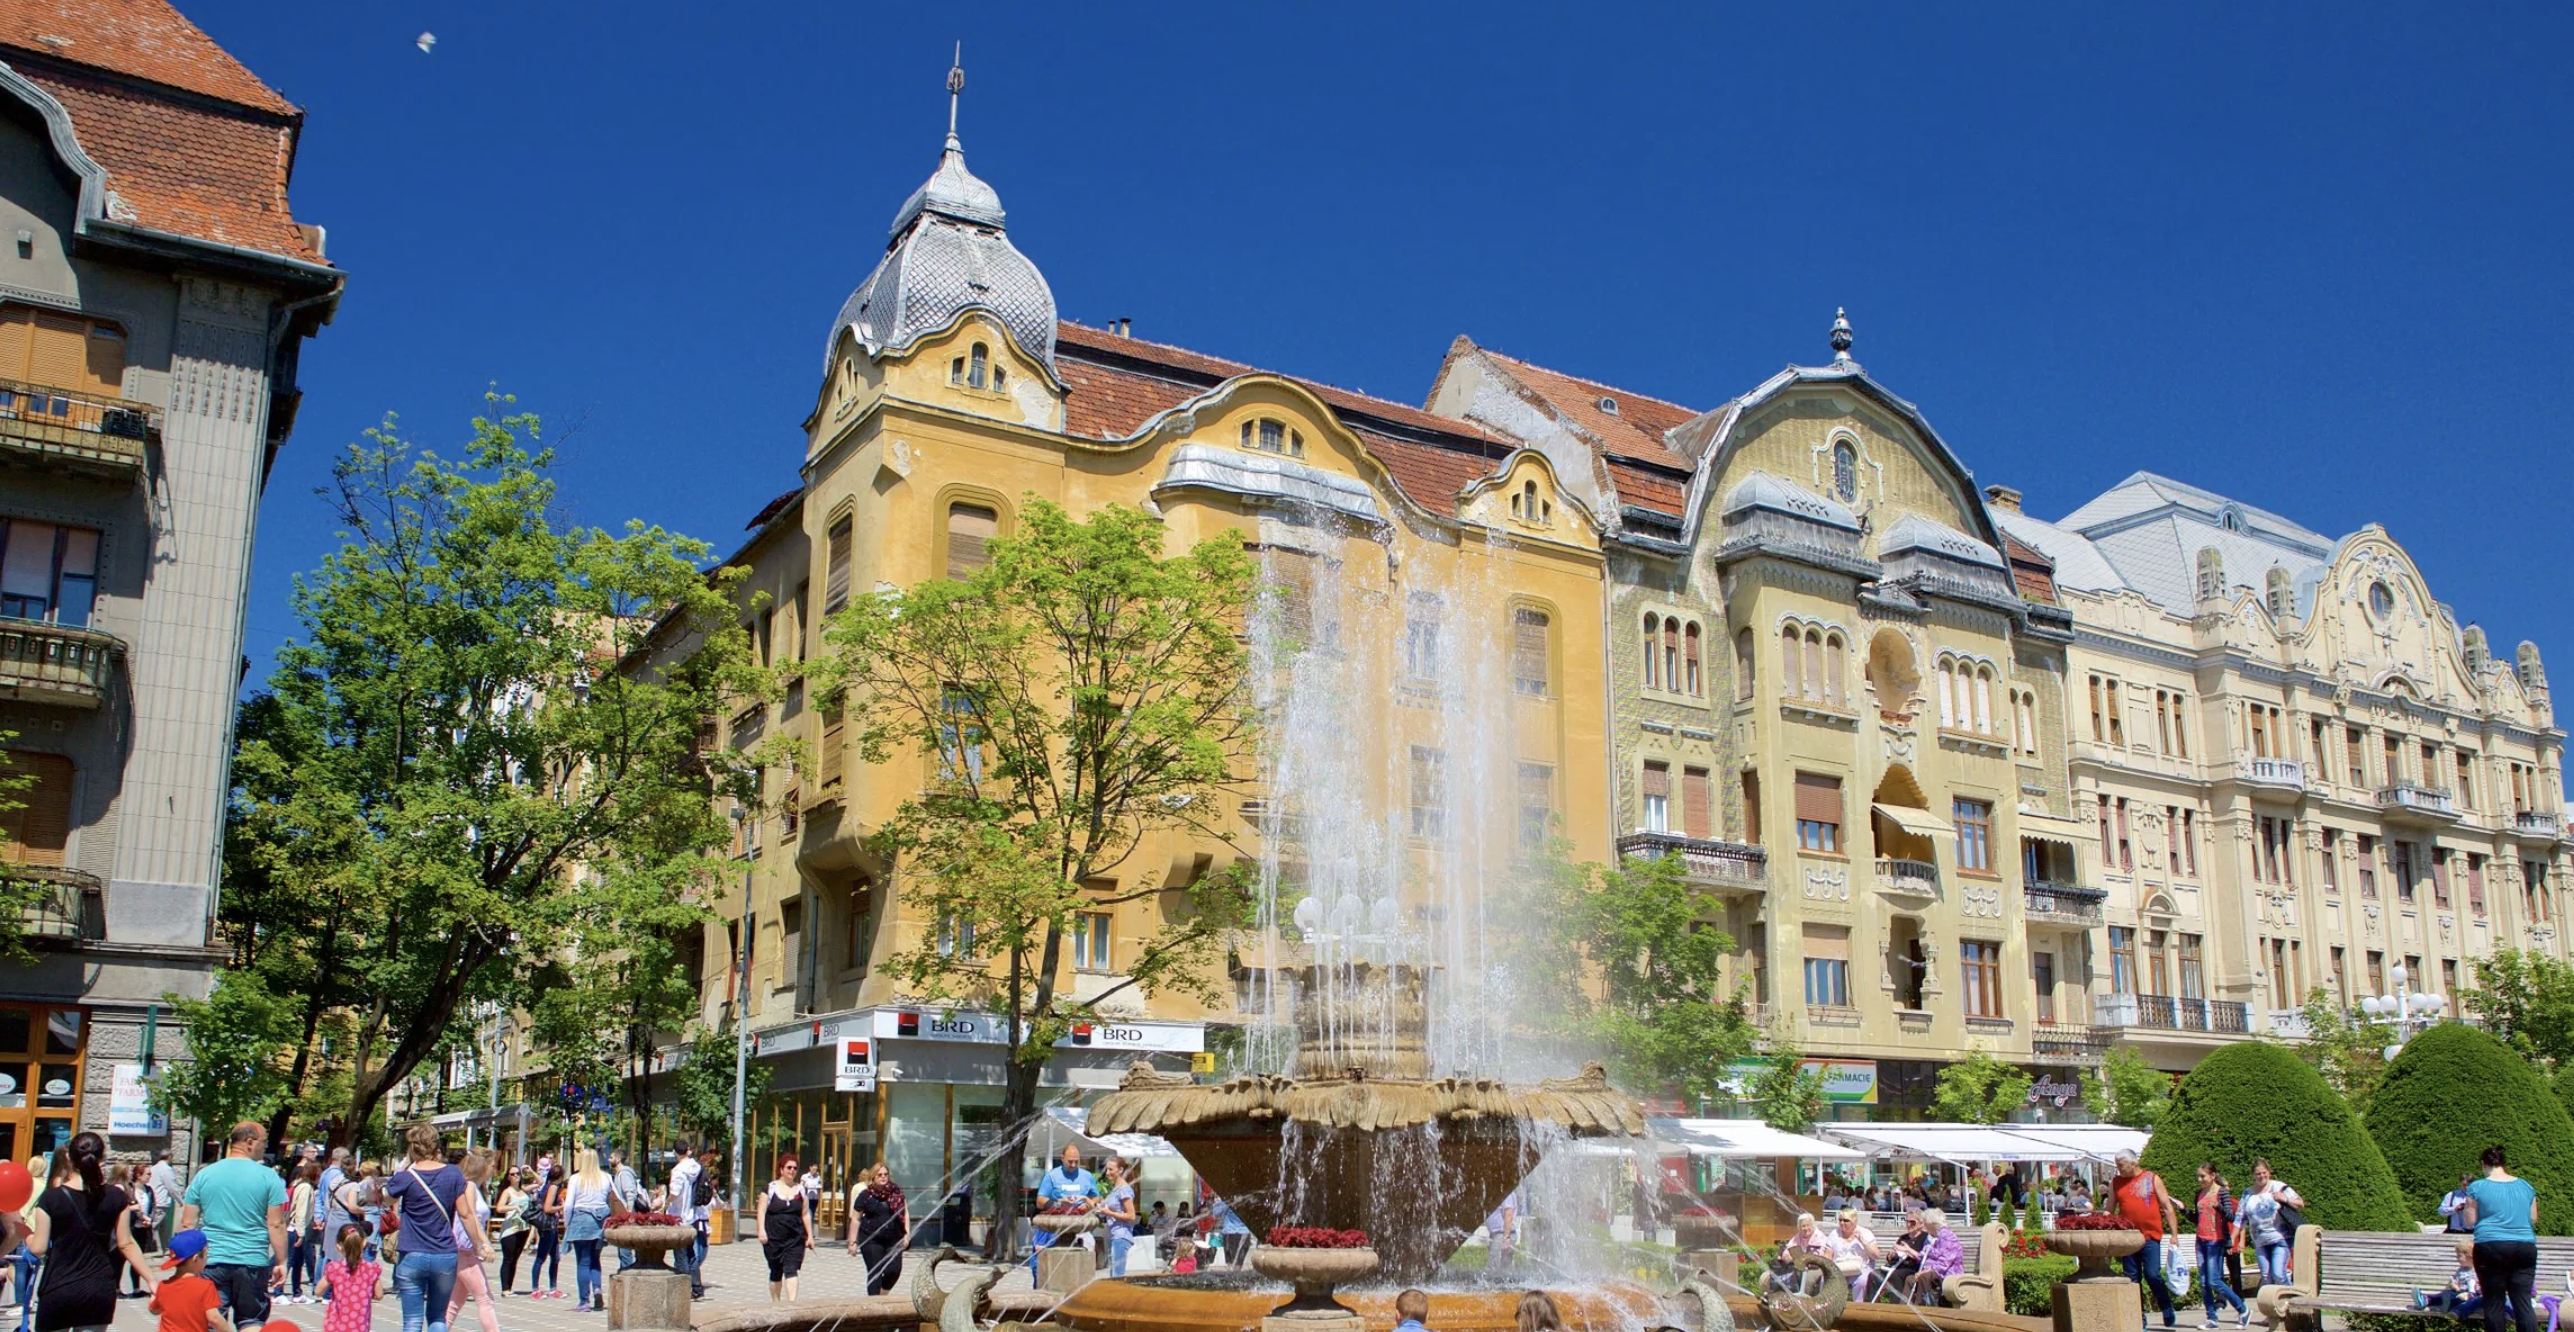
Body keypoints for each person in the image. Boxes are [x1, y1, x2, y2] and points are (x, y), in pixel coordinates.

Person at [22, 1133, 155, 1332]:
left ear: (68, 1158)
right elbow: (126, 1243)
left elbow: (38, 1248)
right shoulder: (116, 1197)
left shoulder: (51, 1199)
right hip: (98, 1287)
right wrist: (151, 1280)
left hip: (58, 1286)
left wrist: (24, 1231)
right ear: (102, 1158)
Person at [178, 1122, 288, 1332]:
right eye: (263, 1142)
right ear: (249, 1142)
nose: (265, 1147)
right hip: (252, 1260)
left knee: (211, 1320)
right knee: (251, 1320)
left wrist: (184, 1264)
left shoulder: (204, 1175)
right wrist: (282, 1261)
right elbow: (276, 1223)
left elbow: (187, 1223)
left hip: (211, 1260)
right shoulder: (268, 1176)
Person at [382, 1123, 482, 1332]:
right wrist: (477, 1244)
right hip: (444, 1254)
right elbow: (465, 1214)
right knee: (438, 1316)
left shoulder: (406, 1177)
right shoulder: (453, 1174)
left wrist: (407, 1165)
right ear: (437, 1146)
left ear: (412, 1147)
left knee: (412, 1321)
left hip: (412, 1253)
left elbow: (387, 1197)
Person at [2462, 1144, 2542, 1332]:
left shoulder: (2477, 1187)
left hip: (2490, 1246)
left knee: (2494, 1302)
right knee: (2523, 1303)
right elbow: (2533, 1218)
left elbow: (2470, 1221)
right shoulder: (2525, 1186)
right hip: (2524, 1247)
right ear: (2503, 1164)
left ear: (2483, 1164)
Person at [2112, 1152, 2181, 1331]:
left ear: (2133, 1163)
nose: (2118, 1169)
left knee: (2152, 1274)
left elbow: (2167, 1207)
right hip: (2128, 1238)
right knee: (2132, 1280)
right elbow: (2110, 1209)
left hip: (2150, 1236)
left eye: (2121, 1165)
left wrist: (2174, 1235)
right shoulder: (2117, 1182)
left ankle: (2166, 1306)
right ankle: (2139, 1320)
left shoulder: (2151, 1178)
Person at [441, 1151, 500, 1332]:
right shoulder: (470, 1186)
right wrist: (483, 1243)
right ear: (482, 1168)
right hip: (466, 1249)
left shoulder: (471, 1187)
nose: (494, 1170)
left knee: (456, 1300)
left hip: (462, 1249)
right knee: (484, 1299)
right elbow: (470, 1216)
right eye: (492, 1166)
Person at [2235, 1159, 2306, 1288]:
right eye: (2258, 1174)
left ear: (2269, 1172)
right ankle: (2274, 1306)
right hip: (2260, 1241)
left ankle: (2291, 1299)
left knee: (2279, 1274)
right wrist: (2233, 1238)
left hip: (2280, 1238)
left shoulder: (2279, 1187)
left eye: (2264, 1172)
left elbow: (2300, 1203)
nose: (2262, 1176)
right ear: (2253, 1175)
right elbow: (2240, 1217)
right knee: (2266, 1277)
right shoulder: (2248, 1193)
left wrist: (2285, 1199)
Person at [559, 1148, 614, 1313]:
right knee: (595, 1258)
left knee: (583, 1261)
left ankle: (584, 1301)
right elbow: (613, 1198)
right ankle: (597, 1288)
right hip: (600, 1220)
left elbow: (568, 1204)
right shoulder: (606, 1178)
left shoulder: (576, 1179)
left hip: (581, 1219)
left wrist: (568, 1223)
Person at [2194, 1165, 2250, 1327]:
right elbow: (2197, 1218)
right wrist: (2185, 1211)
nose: (2200, 1180)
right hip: (2201, 1240)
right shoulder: (2199, 1194)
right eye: (2198, 1176)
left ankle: (2243, 1309)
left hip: (2215, 1239)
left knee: (2214, 1281)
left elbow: (2232, 1217)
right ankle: (2211, 1318)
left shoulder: (2222, 1192)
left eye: (2203, 1176)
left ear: (2212, 1176)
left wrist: (2219, 1207)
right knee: (2204, 1282)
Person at [1031, 1146, 1097, 1276]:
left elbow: (1096, 1197)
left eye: (1076, 1162)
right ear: (1062, 1159)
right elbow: (1040, 1201)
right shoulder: (1052, 1176)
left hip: (1079, 1224)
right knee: (1040, 1268)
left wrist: (1089, 1205)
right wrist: (1059, 1203)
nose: (1073, 1165)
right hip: (1055, 1225)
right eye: (1070, 1161)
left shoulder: (1087, 1176)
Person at [844, 1163, 907, 1297]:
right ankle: (873, 1304)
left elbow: (905, 1213)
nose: (883, 1177)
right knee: (875, 1271)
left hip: (894, 1237)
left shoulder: (897, 1192)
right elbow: (855, 1218)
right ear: (873, 1177)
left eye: (885, 1175)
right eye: (880, 1175)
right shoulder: (866, 1195)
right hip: (871, 1238)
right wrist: (852, 1242)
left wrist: (906, 1234)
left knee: (894, 1270)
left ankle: (882, 1296)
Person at [151, 1230, 231, 1332]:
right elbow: (214, 1318)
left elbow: (154, 1310)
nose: (207, 1258)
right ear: (196, 1258)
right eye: (206, 1254)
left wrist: (152, 1299)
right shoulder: (205, 1286)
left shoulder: (163, 1286)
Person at [758, 1156, 812, 1303]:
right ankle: (776, 1303)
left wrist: (810, 1236)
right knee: (776, 1270)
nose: (792, 1170)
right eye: (789, 1167)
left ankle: (791, 1305)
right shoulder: (770, 1188)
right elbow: (761, 1211)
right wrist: (761, 1231)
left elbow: (805, 1214)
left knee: (791, 1269)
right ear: (781, 1169)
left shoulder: (800, 1190)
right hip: (774, 1237)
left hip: (795, 1238)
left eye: (795, 1168)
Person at [317, 1223, 383, 1332]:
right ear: (364, 1243)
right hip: (359, 1327)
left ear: (338, 1246)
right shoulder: (371, 1269)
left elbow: (318, 1291)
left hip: (335, 1326)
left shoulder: (334, 1268)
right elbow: (379, 1295)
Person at [666, 1146, 705, 1300]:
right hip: (693, 1216)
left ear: (675, 1152)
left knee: (680, 1255)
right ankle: (697, 1288)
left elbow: (674, 1193)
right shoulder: (696, 1166)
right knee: (691, 1254)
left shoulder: (678, 1171)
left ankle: (683, 1289)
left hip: (679, 1217)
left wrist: (665, 1204)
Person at [1821, 1209, 1881, 1301]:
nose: (1842, 1223)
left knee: (1861, 1281)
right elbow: (1828, 1256)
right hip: (1840, 1268)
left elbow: (1876, 1255)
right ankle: (1830, 1308)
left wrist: (1863, 1242)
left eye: (1846, 1220)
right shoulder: (1834, 1234)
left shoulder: (1865, 1233)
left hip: (1861, 1268)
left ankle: (1858, 1308)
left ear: (1854, 1222)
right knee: (1824, 1279)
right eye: (1840, 1220)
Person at [1907, 1210, 1963, 1306]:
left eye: (1925, 1222)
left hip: (1947, 1273)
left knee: (1924, 1277)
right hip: (1931, 1271)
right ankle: (1904, 1309)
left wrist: (1926, 1271)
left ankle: (1922, 1308)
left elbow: (1945, 1263)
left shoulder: (1946, 1235)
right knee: (1910, 1279)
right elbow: (1923, 1255)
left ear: (1932, 1223)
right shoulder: (1934, 1237)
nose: (1924, 1225)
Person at [2418, 1239, 2484, 1319]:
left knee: (2452, 1297)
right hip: (2457, 1293)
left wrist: (2474, 1291)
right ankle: (2426, 1299)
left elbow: (2481, 1286)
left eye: (2459, 1256)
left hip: (2469, 1297)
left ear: (2470, 1256)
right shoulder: (2461, 1269)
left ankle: (2432, 1302)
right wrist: (2453, 1284)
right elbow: (2454, 1280)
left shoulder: (2479, 1270)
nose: (2457, 1258)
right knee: (2446, 1294)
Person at [528, 1159, 563, 1299]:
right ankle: (535, 1289)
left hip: (551, 1225)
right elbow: (547, 1207)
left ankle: (553, 1288)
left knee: (555, 1257)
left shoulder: (548, 1185)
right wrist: (561, 1207)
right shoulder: (553, 1187)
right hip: (548, 1225)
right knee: (541, 1256)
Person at [1099, 1158, 1140, 1279]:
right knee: (1114, 1276)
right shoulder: (1115, 1189)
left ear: (1121, 1170)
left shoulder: (1124, 1189)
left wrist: (1109, 1212)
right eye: (1107, 1169)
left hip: (1121, 1236)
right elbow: (1108, 1211)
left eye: (1111, 1169)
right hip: (1114, 1236)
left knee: (1117, 1276)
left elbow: (1131, 1215)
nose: (1107, 1172)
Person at [283, 1164, 318, 1306]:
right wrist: (301, 1233)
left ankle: (297, 1292)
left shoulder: (300, 1185)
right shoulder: (305, 1188)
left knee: (298, 1262)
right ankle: (278, 1291)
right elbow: (301, 1212)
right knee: (290, 1261)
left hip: (296, 1228)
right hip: (295, 1229)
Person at [609, 1149, 642, 1273]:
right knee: (623, 1248)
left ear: (618, 1159)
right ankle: (626, 1271)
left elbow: (630, 1193)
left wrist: (629, 1213)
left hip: (626, 1215)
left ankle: (628, 1274)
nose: (609, 1159)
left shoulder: (624, 1173)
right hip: (622, 1214)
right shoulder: (619, 1174)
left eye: (611, 1157)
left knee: (625, 1249)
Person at [150, 1155, 183, 1253]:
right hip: (161, 1202)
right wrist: (180, 1200)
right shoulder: (166, 1169)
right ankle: (153, 1248)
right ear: (169, 1157)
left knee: (163, 1229)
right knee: (154, 1227)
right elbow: (172, 1187)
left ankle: (165, 1249)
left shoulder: (154, 1168)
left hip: (155, 1200)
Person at [1484, 1193, 1519, 1268]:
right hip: (1498, 1234)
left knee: (1493, 1267)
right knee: (1504, 1268)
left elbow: (1508, 1214)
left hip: (1502, 1235)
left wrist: (1506, 1238)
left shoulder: (1506, 1193)